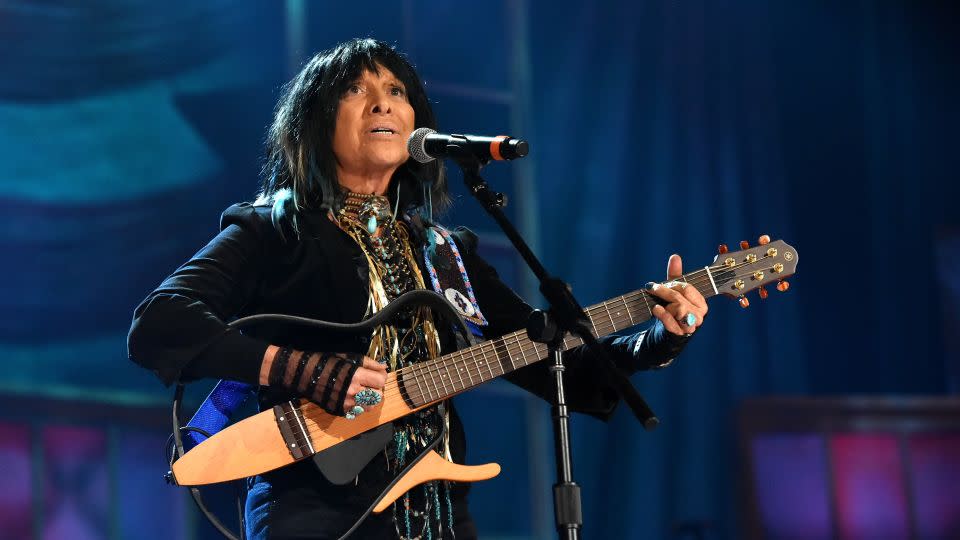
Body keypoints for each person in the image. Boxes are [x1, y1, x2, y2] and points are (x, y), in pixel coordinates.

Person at [127, 38, 707, 540]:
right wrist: (305, 372)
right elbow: (160, 322)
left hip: (438, 513)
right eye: (356, 90)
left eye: (398, 90)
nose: (384, 100)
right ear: (315, 121)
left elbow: (551, 359)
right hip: (315, 508)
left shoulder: (444, 251)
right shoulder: (274, 229)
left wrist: (660, 336)